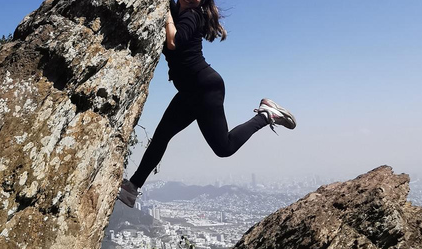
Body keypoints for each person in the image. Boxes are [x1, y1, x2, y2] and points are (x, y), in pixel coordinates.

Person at [118, 0, 296, 207]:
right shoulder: (175, 9)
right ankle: (133, 187)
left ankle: (266, 115)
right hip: (189, 91)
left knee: (224, 148)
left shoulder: (192, 15)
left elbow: (174, 41)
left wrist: (165, 11)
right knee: (161, 137)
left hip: (205, 88)